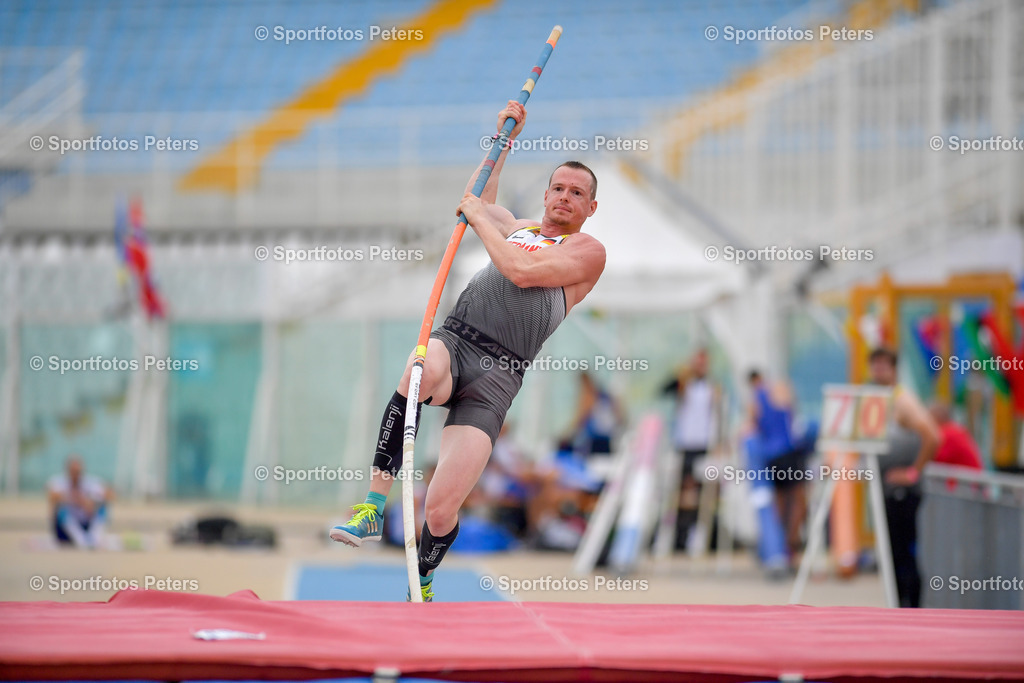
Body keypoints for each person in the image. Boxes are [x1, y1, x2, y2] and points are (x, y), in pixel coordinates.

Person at [329, 99, 606, 601]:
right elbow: (477, 196)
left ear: (590, 207)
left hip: (500, 375)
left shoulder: (586, 252)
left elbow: (521, 271)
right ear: (546, 194)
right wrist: (504, 141)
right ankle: (372, 506)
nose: (565, 197)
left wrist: (479, 218)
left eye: (578, 193)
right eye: (559, 188)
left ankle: (425, 578)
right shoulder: (518, 227)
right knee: (418, 372)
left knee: (440, 507)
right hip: (456, 341)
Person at [867, 347, 942, 608]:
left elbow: (932, 436)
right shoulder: (881, 399)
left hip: (902, 492)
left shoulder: (902, 400)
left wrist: (912, 472)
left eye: (883, 366)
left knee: (903, 554)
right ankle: (899, 605)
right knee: (892, 553)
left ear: (894, 369)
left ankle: (910, 608)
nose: (878, 371)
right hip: (887, 490)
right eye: (874, 366)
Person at [747, 370, 804, 566]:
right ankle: (791, 544)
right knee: (797, 499)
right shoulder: (778, 389)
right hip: (788, 452)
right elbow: (791, 415)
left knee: (778, 502)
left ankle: (777, 546)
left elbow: (753, 428)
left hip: (772, 456)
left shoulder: (756, 399)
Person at [667, 348, 719, 552]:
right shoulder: (683, 385)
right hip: (684, 444)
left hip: (704, 444)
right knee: (682, 492)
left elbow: (716, 416)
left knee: (702, 491)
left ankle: (698, 534)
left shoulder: (712, 387)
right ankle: (680, 534)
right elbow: (664, 390)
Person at [48, 455, 112, 549]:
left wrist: (92, 502)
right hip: (67, 528)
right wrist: (78, 500)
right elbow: (52, 496)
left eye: (77, 472)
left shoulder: (90, 482)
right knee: (60, 508)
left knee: (102, 506)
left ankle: (94, 537)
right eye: (73, 471)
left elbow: (109, 494)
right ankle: (80, 539)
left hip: (86, 522)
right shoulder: (59, 482)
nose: (75, 474)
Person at [928, 401, 983, 470]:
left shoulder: (948, 433)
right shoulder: (954, 429)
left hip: (966, 479)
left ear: (936, 418)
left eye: (928, 418)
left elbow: (934, 457)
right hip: (967, 477)